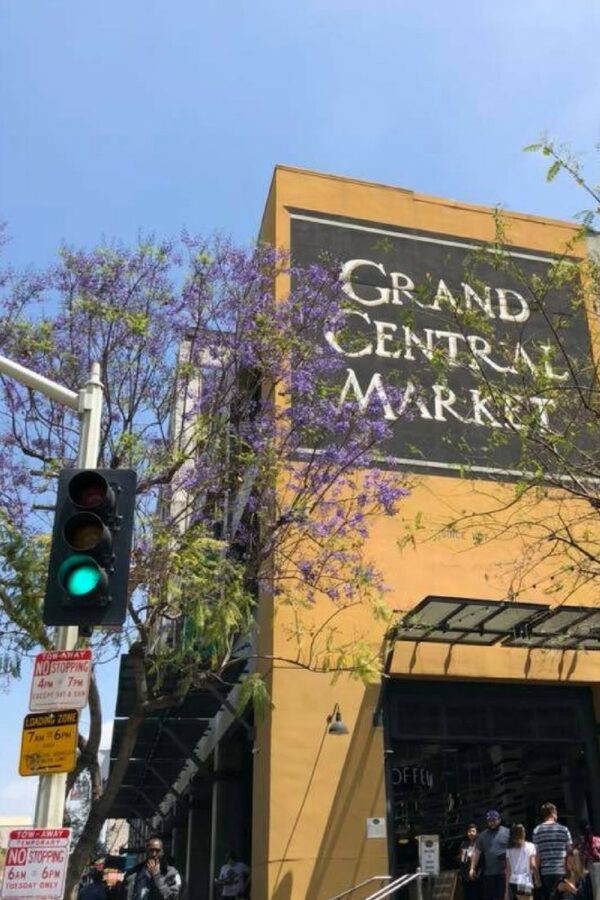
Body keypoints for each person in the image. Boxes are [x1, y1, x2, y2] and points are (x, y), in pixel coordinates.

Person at [533, 803, 573, 900]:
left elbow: (536, 856)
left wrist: (536, 877)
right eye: (556, 812)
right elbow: (570, 852)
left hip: (546, 873)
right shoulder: (564, 829)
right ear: (552, 813)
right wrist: (571, 871)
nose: (557, 814)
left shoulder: (537, 831)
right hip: (562, 871)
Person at [469, 810, 510, 900]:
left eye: (494, 820)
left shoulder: (507, 832)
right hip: (488, 874)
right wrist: (472, 868)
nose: (492, 823)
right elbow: (476, 852)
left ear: (499, 820)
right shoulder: (482, 836)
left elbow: (514, 851)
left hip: (504, 873)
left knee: (504, 897)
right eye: (489, 821)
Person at [505, 823, 537, 900]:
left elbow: (508, 870)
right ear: (523, 833)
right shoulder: (530, 846)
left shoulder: (509, 850)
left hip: (512, 882)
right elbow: (533, 865)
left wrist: (506, 890)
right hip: (525, 881)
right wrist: (537, 879)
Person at [459, 825, 482, 900]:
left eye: (473, 831)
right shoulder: (464, 844)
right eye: (469, 831)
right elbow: (463, 860)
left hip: (478, 874)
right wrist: (465, 856)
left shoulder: (480, 843)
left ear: (477, 832)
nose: (471, 833)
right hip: (466, 876)